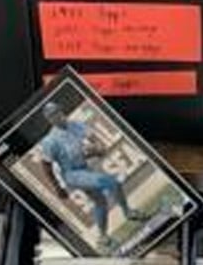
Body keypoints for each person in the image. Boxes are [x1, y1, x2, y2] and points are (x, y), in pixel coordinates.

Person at [38, 102, 146, 250]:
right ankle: (128, 212)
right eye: (51, 115)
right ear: (48, 119)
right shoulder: (50, 140)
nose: (55, 116)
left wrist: (97, 149)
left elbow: (97, 143)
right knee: (112, 182)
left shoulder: (75, 125)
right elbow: (45, 165)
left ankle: (103, 238)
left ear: (62, 110)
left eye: (56, 111)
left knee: (100, 202)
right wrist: (57, 187)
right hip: (72, 174)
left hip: (84, 168)